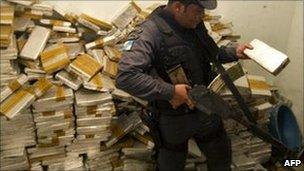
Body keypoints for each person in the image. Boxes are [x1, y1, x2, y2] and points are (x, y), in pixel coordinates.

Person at [116, 0, 253, 170]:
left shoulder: (194, 24)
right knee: (171, 164)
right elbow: (126, 77)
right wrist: (171, 91)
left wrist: (234, 52)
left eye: (202, 11)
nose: (201, 16)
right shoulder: (149, 32)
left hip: (206, 107)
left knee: (221, 158)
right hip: (174, 119)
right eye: (197, 11)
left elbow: (212, 54)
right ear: (178, 7)